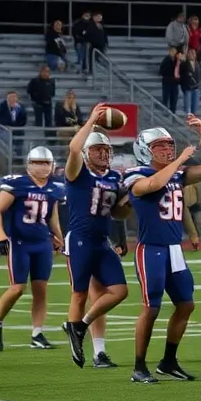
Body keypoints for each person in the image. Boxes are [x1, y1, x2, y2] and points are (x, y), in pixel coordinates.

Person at [124, 123, 201, 383]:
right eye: (159, 146)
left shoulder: (175, 174)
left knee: (186, 304)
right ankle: (139, 366)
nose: (167, 150)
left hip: (174, 249)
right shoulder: (135, 173)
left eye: (169, 145)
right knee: (151, 308)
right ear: (144, 150)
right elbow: (151, 185)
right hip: (150, 248)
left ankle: (168, 361)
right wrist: (180, 161)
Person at [60, 108, 132, 368]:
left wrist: (130, 202)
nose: (103, 154)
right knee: (79, 294)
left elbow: (118, 213)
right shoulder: (78, 173)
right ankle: (80, 343)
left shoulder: (114, 177)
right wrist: (91, 121)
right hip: (79, 238)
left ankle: (78, 327)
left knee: (119, 291)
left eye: (106, 150)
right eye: (97, 150)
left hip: (102, 241)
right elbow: (73, 147)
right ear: (86, 153)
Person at [0, 147, 65, 352]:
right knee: (17, 288)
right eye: (37, 162)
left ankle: (37, 333)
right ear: (29, 164)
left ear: (52, 165)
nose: (41, 167)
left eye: (45, 163)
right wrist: (1, 235)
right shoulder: (17, 183)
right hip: (19, 242)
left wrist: (60, 238)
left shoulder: (55, 188)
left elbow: (52, 218)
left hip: (42, 244)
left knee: (41, 290)